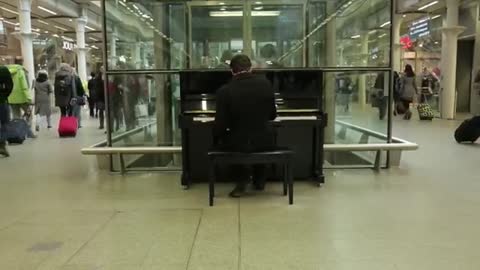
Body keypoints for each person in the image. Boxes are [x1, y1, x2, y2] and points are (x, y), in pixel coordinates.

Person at [214, 54, 277, 198]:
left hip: (238, 143)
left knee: (232, 139)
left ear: (232, 71)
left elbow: (220, 125)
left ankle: (241, 182)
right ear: (251, 69)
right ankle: (259, 179)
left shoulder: (224, 91)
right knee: (258, 134)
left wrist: (217, 137)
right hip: (265, 142)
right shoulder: (266, 84)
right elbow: (272, 115)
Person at [0, 66, 13, 157]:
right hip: (1, 101)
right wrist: (4, 95)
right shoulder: (3, 70)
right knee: (5, 123)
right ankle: (2, 145)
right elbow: (10, 85)